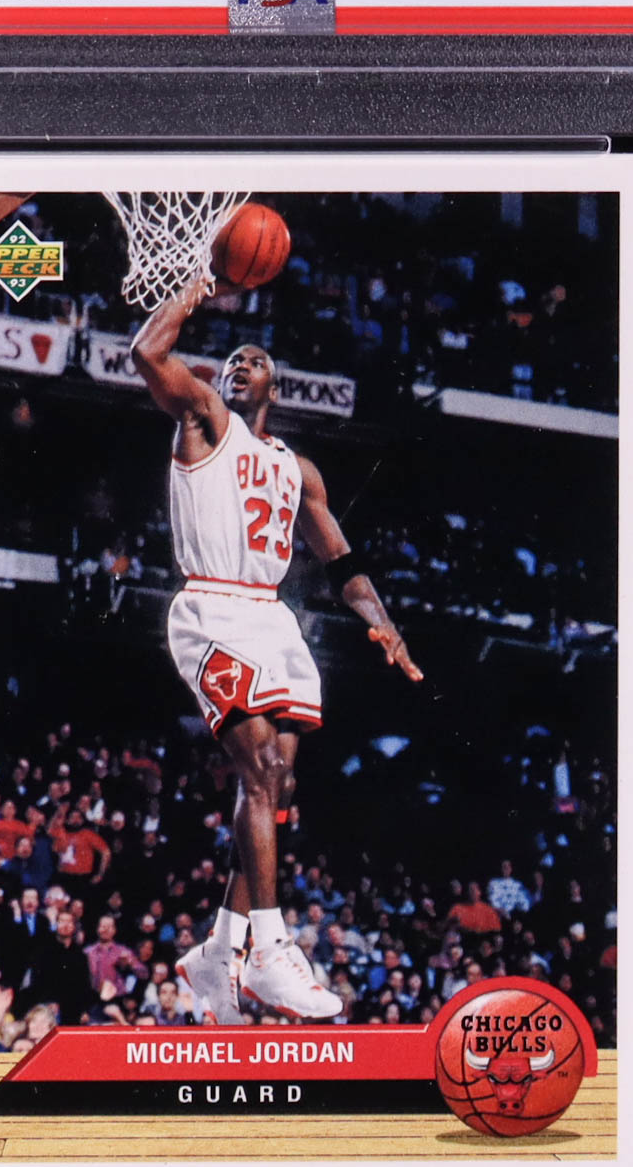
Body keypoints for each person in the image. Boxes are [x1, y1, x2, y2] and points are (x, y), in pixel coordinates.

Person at [131, 272, 422, 1023]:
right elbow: (147, 352)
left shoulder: (299, 470)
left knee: (278, 787)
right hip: (211, 604)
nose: (239, 365)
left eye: (254, 360)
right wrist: (200, 284)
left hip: (272, 617)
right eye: (231, 359)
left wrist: (383, 623)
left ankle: (218, 949)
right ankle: (268, 949)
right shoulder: (204, 419)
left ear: (275, 385)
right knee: (259, 770)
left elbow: (342, 562)